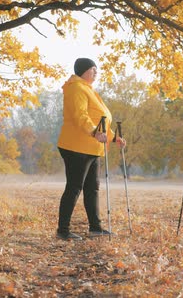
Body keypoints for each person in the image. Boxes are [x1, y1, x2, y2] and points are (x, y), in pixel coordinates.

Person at [56, 58, 126, 241]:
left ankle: (96, 227)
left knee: (92, 188)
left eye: (97, 69)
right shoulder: (76, 88)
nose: (96, 72)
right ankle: (63, 230)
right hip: (76, 146)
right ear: (83, 70)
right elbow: (81, 116)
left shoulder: (88, 89)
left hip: (92, 147)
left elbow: (100, 120)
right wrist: (94, 132)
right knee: (74, 187)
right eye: (93, 69)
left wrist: (114, 137)